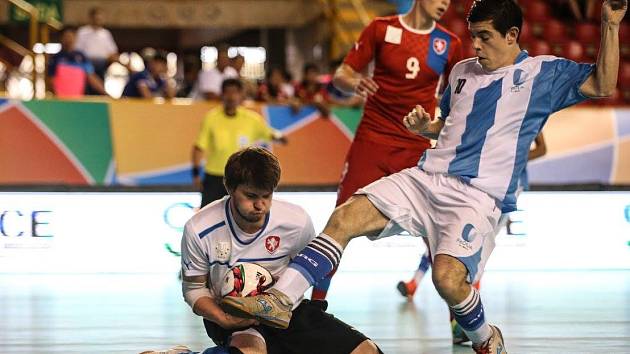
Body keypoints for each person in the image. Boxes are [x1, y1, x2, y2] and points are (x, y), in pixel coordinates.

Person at [220, 1, 626, 354]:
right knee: (345, 216)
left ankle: (485, 338)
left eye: (484, 37)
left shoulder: (544, 74)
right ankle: (280, 298)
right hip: (425, 179)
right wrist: (426, 128)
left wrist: (608, 24)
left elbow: (604, 84)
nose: (475, 46)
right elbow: (451, 124)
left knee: (447, 281)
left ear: (512, 35)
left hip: (475, 197)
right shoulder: (464, 71)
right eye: (472, 36)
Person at [151, 147, 382, 354]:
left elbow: (312, 270)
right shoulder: (200, 228)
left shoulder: (296, 221)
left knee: (367, 350)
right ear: (230, 188)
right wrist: (222, 318)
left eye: (267, 195)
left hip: (288, 312)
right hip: (232, 313)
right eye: (251, 196)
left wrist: (316, 305)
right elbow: (194, 289)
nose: (261, 205)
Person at [311, 0, 463, 300]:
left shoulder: (449, 43)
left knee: (437, 233)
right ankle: (314, 307)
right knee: (339, 220)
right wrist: (353, 81)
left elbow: (454, 100)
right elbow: (342, 74)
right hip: (372, 140)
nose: (444, 3)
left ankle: (457, 319)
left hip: (414, 146)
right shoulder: (382, 29)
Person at [396, 132, 547, 345]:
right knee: (453, 242)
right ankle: (458, 318)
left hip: (508, 188)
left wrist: (510, 158)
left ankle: (466, 320)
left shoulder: (529, 109)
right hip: (478, 182)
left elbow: (542, 149)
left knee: (475, 247)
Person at [192, 78, 287, 208]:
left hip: (242, 177)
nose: (231, 96)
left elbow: (270, 133)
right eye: (227, 92)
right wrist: (196, 174)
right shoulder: (211, 118)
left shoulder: (251, 119)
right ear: (222, 94)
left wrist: (280, 136)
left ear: (241, 95)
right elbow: (199, 147)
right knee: (207, 215)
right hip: (215, 176)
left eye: (235, 92)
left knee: (241, 216)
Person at [47, 26, 108, 97]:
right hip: (61, 99)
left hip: (78, 99)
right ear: (61, 38)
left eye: (71, 36)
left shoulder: (81, 57)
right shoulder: (55, 58)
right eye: (66, 36)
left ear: (75, 38)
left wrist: (105, 93)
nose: (68, 39)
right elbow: (51, 80)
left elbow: (92, 77)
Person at [75, 7, 119, 94]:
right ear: (91, 18)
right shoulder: (83, 32)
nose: (98, 20)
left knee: (99, 88)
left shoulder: (105, 34)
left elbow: (113, 52)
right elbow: (77, 50)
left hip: (102, 64)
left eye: (100, 18)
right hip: (86, 63)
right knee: (87, 89)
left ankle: (102, 94)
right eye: (96, 18)